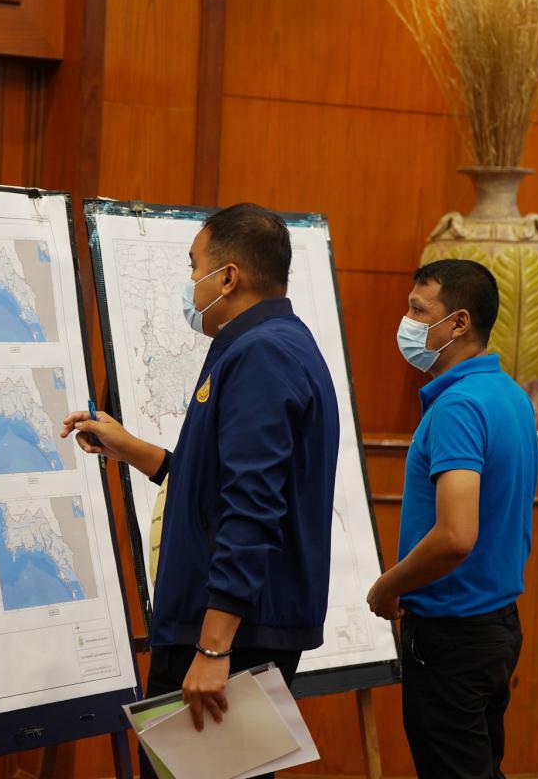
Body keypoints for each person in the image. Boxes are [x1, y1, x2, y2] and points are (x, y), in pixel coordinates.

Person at [61, 203, 340, 779]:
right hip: (234, 630)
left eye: (195, 267)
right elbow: (217, 484)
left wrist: (213, 649)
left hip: (228, 638)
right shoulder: (271, 343)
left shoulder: (262, 353)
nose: (191, 283)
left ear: (228, 277)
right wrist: (129, 448)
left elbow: (252, 507)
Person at [366, 258, 538, 779]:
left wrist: (388, 587)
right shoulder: (510, 395)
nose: (407, 322)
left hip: (452, 635)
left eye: (419, 310)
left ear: (459, 322)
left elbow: (456, 536)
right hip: (496, 626)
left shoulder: (459, 407)